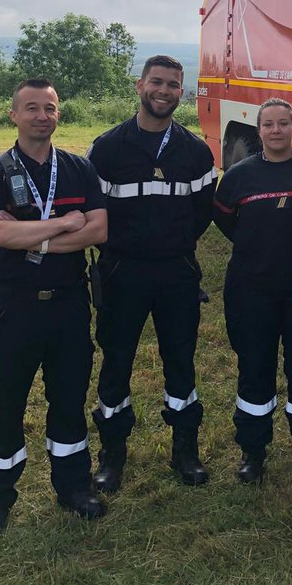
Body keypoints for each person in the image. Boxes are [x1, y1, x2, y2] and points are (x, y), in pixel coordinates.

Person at [0, 78, 108, 542]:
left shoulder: (78, 168)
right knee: (5, 404)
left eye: (49, 108)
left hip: (69, 305)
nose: (41, 116)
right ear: (14, 115)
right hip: (13, 308)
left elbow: (98, 231)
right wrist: (65, 225)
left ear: (58, 115)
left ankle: (73, 488)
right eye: (31, 108)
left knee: (68, 401)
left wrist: (34, 236)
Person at [86, 55, 216, 492]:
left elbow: (202, 214)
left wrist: (170, 245)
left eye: (173, 85)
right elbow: (94, 211)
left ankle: (185, 452)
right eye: (156, 82)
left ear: (182, 92)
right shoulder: (107, 148)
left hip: (177, 273)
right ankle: (112, 454)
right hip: (122, 272)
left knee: (180, 362)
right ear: (139, 85)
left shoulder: (196, 151)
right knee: (116, 361)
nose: (163, 91)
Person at [214, 99, 292, 482]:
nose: (276, 131)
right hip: (251, 291)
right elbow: (226, 221)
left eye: (283, 124)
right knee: (254, 370)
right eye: (268, 125)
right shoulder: (240, 176)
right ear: (258, 131)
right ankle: (253, 450)